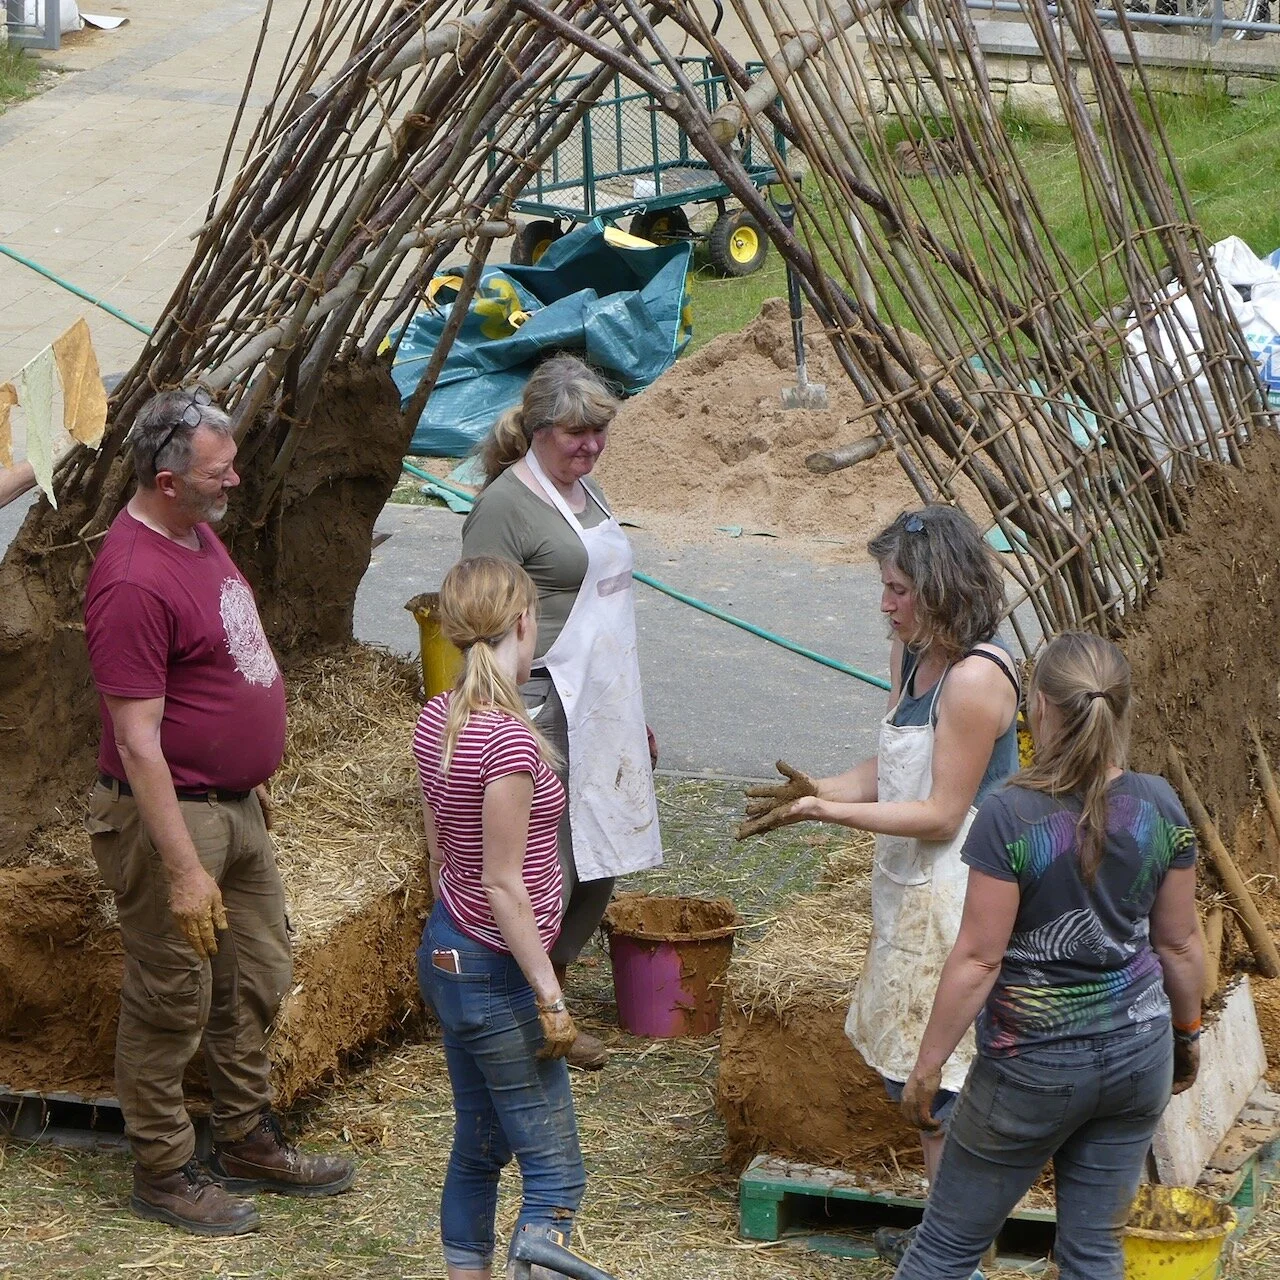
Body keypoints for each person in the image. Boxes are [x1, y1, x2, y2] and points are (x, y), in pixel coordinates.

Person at [83, 388, 355, 1237]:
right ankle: (164, 1170)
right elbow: (136, 740)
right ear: (168, 480)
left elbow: (217, 663)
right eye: (218, 469)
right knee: (173, 998)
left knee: (255, 978)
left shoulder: (194, 532)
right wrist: (185, 867)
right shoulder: (130, 576)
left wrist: (246, 770)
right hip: (176, 818)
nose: (235, 478)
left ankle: (244, 1137)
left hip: (230, 803)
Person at [893, 631, 1203, 1280]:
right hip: (1137, 1059)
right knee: (1093, 1256)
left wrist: (926, 1069)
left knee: (942, 1253)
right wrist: (1187, 1034)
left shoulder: (1012, 815)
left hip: (1030, 1068)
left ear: (1039, 707)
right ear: (1121, 710)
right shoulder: (1160, 807)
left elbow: (979, 960)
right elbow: (1178, 944)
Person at [738, 506, 1020, 1207]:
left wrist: (828, 812)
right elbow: (898, 767)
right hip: (911, 888)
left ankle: (957, 1250)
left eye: (898, 589)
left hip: (962, 889)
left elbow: (940, 813)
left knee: (946, 1080)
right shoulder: (914, 654)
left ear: (941, 588)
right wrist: (815, 787)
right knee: (912, 1075)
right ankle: (946, 1233)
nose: (884, 603)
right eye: (884, 586)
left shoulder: (978, 678)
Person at [461, 354, 662, 1071]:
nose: (590, 448)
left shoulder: (590, 491)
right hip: (540, 700)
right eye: (577, 435)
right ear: (540, 429)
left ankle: (560, 980)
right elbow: (476, 614)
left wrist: (627, 716)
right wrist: (497, 720)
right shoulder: (504, 507)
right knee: (551, 860)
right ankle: (527, 1004)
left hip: (601, 700)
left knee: (606, 846)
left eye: (599, 434)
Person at [414, 555, 588, 1280]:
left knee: (480, 1145)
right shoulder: (511, 742)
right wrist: (550, 996)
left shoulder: (437, 717)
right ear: (524, 621)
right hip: (497, 968)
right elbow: (504, 885)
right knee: (556, 1175)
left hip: (451, 951)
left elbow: (438, 853)